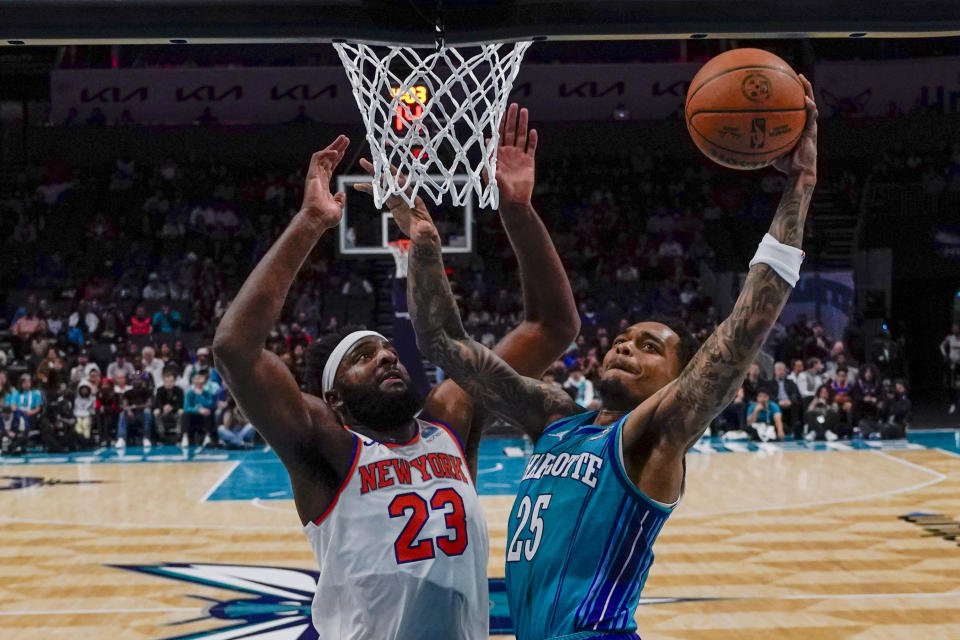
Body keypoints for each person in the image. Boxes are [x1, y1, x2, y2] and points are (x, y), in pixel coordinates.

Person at [403, 79, 818, 640]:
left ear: (679, 379)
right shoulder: (555, 418)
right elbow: (444, 346)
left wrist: (799, 183)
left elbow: (746, 326)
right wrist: (431, 240)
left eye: (652, 347)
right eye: (625, 338)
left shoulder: (655, 435)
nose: (627, 346)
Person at [213, 106, 578, 640]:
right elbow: (235, 350)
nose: (386, 356)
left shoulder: (451, 417)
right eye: (363, 356)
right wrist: (310, 221)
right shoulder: (328, 450)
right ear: (334, 400)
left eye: (387, 348)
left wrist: (518, 210)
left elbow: (552, 326)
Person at [763, 361, 802, 438]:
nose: (782, 372)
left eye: (783, 370)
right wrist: (778, 402)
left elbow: (795, 394)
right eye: (779, 370)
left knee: (797, 405)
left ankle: (795, 430)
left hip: (789, 403)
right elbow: (769, 395)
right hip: (777, 403)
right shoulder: (769, 383)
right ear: (775, 371)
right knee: (773, 406)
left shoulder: (791, 382)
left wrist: (790, 401)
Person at [182, 371, 216, 447]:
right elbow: (186, 407)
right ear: (194, 381)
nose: (198, 381)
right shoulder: (190, 393)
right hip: (193, 416)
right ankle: (185, 437)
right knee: (185, 414)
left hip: (204, 416)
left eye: (200, 379)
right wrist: (198, 410)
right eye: (197, 379)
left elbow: (210, 404)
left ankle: (207, 436)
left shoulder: (207, 393)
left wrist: (200, 396)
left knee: (209, 412)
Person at [153, 368, 185, 445]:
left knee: (182, 412)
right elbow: (157, 403)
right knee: (156, 412)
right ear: (163, 382)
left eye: (171, 381)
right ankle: (161, 436)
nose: (169, 383)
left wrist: (172, 408)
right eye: (167, 382)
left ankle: (179, 437)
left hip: (174, 412)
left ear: (174, 382)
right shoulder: (160, 390)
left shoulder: (179, 390)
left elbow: (181, 404)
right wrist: (163, 407)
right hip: (163, 412)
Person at [941, 323, 960, 414]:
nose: (955, 329)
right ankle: (953, 404)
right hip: (952, 364)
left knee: (958, 385)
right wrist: (945, 355)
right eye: (953, 328)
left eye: (956, 328)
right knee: (952, 385)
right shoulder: (950, 338)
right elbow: (941, 346)